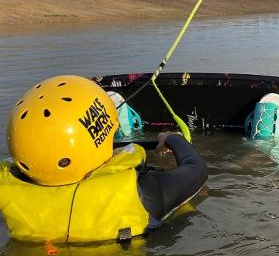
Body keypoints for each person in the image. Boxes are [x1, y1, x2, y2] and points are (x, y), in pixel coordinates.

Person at [0, 75, 207, 244]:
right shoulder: (145, 191)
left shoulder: (7, 191)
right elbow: (196, 168)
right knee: (185, 208)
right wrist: (171, 138)